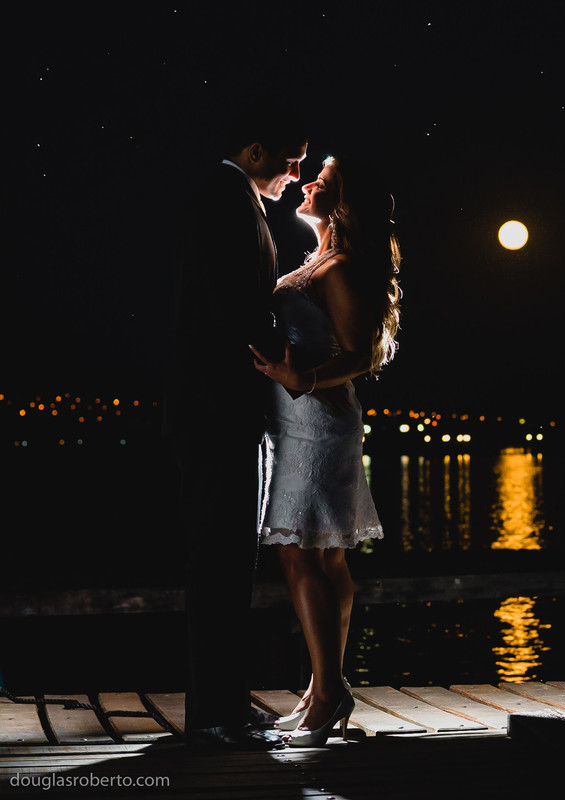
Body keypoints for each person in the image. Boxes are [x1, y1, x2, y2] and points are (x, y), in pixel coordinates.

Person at [163, 103, 307, 749]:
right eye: (290, 157)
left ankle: (223, 704)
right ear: (254, 151)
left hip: (221, 405)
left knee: (228, 561)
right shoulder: (223, 203)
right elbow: (230, 307)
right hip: (216, 406)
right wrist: (283, 353)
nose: (295, 172)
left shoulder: (229, 199)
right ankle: (214, 714)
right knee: (218, 560)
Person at [250, 152, 402, 747]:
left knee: (301, 556)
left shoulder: (335, 268)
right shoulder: (324, 259)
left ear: (344, 203)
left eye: (324, 181)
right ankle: (323, 689)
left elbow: (360, 354)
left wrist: (301, 382)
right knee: (327, 558)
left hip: (313, 423)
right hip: (306, 422)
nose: (309, 182)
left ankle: (329, 692)